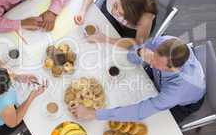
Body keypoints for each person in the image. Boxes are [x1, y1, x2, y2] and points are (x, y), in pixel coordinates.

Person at [69, 36, 206, 123]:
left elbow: (140, 111)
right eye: (152, 59)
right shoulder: (164, 42)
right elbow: (131, 57)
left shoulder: (178, 90)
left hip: (183, 104)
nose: (151, 65)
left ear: (173, 69)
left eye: (157, 65)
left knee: (157, 123)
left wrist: (93, 113)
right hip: (163, 82)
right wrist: (141, 53)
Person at [0, 53, 48, 135]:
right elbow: (13, 123)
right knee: (29, 116)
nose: (10, 76)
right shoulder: (5, 103)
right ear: (2, 93)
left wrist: (16, 76)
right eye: (9, 83)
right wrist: (31, 97)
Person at [74, 0, 157, 44]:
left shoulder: (146, 17)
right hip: (110, 17)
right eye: (115, 5)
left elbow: (138, 42)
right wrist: (83, 11)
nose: (114, 12)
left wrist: (105, 39)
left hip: (130, 30)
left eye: (121, 14)